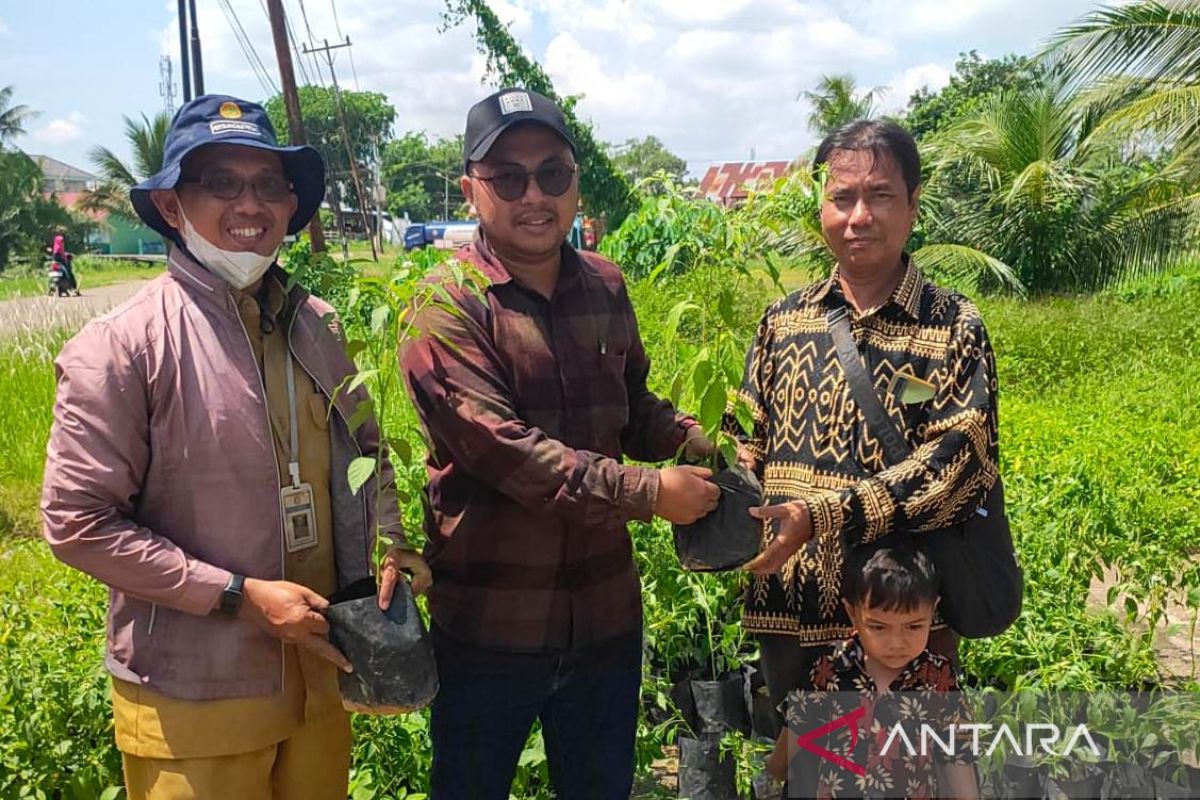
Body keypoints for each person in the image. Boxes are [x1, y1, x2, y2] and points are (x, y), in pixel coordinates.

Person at [41, 94, 430, 800]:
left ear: (290, 204)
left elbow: (365, 454)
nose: (249, 204)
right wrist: (239, 596)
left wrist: (392, 546)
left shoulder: (317, 324)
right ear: (170, 205)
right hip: (197, 694)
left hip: (319, 673)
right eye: (220, 182)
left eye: (268, 185)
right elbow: (76, 525)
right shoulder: (123, 347)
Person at [399, 87, 719, 800]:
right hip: (490, 630)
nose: (533, 195)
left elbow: (631, 405)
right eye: (507, 178)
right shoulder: (445, 305)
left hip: (605, 618)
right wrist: (650, 493)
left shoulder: (605, 285)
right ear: (471, 191)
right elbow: (504, 451)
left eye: (552, 174)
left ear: (575, 183)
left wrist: (688, 439)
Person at [733, 119, 1000, 722]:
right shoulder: (782, 322)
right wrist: (703, 473)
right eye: (842, 197)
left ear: (911, 205)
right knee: (806, 768)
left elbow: (953, 468)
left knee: (901, 774)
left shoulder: (952, 324)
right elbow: (744, 437)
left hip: (900, 619)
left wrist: (820, 516)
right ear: (822, 207)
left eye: (880, 195)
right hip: (790, 605)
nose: (859, 216)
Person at [766, 547, 979, 799]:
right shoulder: (831, 670)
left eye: (913, 626)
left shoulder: (938, 679)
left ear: (933, 612)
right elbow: (795, 735)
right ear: (852, 614)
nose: (896, 642)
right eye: (878, 627)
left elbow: (957, 756)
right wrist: (775, 769)